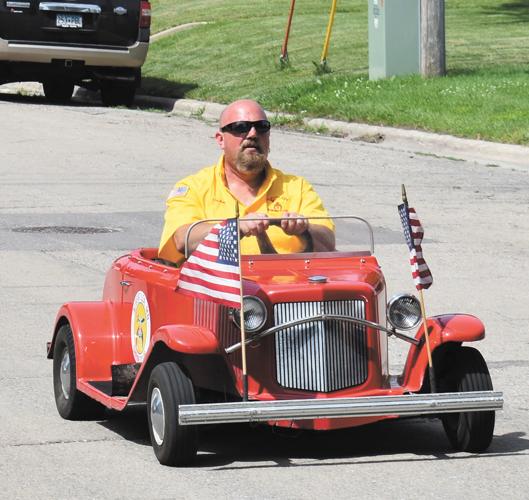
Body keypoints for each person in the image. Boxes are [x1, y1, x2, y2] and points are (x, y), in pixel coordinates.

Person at [159, 99, 335, 263]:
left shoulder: (297, 187)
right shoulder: (192, 187)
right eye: (240, 127)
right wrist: (235, 229)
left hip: (287, 289)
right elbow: (183, 239)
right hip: (218, 290)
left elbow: (328, 243)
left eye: (262, 127)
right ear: (220, 139)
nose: (252, 133)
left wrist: (304, 229)